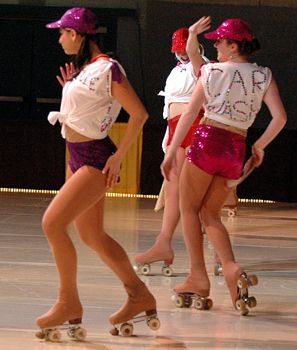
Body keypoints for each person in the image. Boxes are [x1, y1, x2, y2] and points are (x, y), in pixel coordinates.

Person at [35, 7, 160, 339]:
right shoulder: (86, 70)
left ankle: (68, 303)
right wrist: (70, 89)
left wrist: (119, 156)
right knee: (91, 235)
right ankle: (139, 294)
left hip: (95, 158)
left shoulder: (108, 69)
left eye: (62, 33)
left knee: (52, 223)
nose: (59, 39)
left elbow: (139, 114)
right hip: (77, 155)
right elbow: (84, 109)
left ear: (76, 35)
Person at [161, 18, 287, 314]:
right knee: (210, 213)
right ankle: (230, 268)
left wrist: (170, 153)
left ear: (233, 46)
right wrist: (259, 146)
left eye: (219, 41)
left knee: (189, 208)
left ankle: (197, 277)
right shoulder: (263, 75)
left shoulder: (211, 70)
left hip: (208, 140)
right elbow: (280, 118)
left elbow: (191, 113)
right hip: (236, 147)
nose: (215, 45)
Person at [134, 17, 211, 276]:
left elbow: (192, 54)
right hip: (176, 128)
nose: (181, 52)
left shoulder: (201, 66)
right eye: (176, 49)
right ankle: (164, 243)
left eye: (184, 47)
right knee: (176, 190)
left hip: (192, 127)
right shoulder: (177, 69)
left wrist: (192, 35)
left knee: (191, 193)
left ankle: (171, 245)